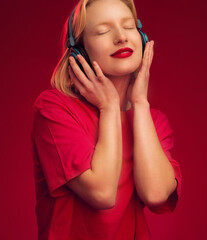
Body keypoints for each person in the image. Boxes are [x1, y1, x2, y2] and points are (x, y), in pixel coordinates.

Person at [31, 0, 182, 239]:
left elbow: (156, 194)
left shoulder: (153, 121)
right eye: (103, 31)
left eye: (129, 27)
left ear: (141, 38)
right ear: (79, 51)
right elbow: (101, 193)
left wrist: (141, 104)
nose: (121, 37)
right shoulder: (54, 108)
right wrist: (109, 107)